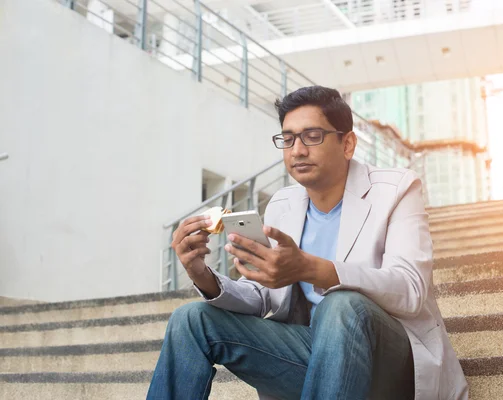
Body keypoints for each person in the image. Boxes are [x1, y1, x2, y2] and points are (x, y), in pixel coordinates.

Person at [147, 86, 468, 400]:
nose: (297, 150)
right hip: (314, 357)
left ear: (348, 143)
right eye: (287, 139)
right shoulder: (282, 204)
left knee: (342, 305)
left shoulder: (396, 189)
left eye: (312, 136)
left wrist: (311, 268)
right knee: (191, 319)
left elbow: (410, 289)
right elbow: (262, 296)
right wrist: (202, 275)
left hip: (391, 365)